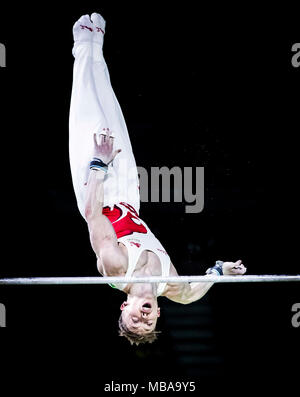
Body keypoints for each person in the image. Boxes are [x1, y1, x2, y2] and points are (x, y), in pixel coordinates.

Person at [69, 13, 247, 345]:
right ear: (158, 315)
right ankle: (97, 45)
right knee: (112, 108)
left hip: (97, 188)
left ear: (124, 306)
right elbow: (194, 293)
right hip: (129, 198)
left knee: (89, 113)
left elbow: (93, 215)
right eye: (147, 324)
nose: (143, 318)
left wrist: (98, 162)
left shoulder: (115, 268)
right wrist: (222, 271)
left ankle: (83, 44)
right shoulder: (172, 287)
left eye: (134, 319)